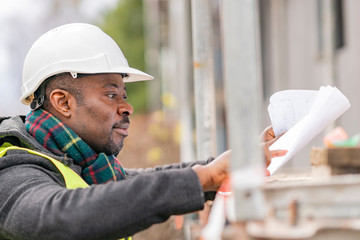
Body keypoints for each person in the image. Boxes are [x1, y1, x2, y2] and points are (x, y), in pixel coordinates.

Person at [0, 23, 282, 240]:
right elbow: (61, 216)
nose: (127, 107)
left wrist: (222, 166)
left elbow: (136, 182)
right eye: (111, 95)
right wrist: (205, 176)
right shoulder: (13, 173)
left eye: (124, 94)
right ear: (63, 102)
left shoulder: (85, 166)